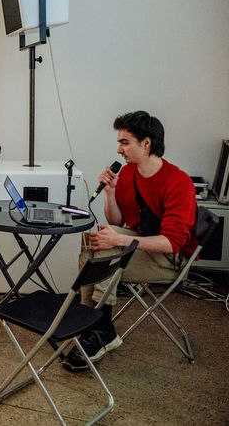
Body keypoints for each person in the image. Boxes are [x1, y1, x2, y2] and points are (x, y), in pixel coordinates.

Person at [63, 111, 197, 371]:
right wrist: (110, 193)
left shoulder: (178, 182)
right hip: (142, 245)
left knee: (108, 248)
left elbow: (172, 243)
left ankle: (97, 327)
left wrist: (119, 240)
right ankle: (96, 324)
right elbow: (117, 221)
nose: (119, 149)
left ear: (146, 143)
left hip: (169, 259)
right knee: (94, 240)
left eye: (125, 142)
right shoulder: (128, 173)